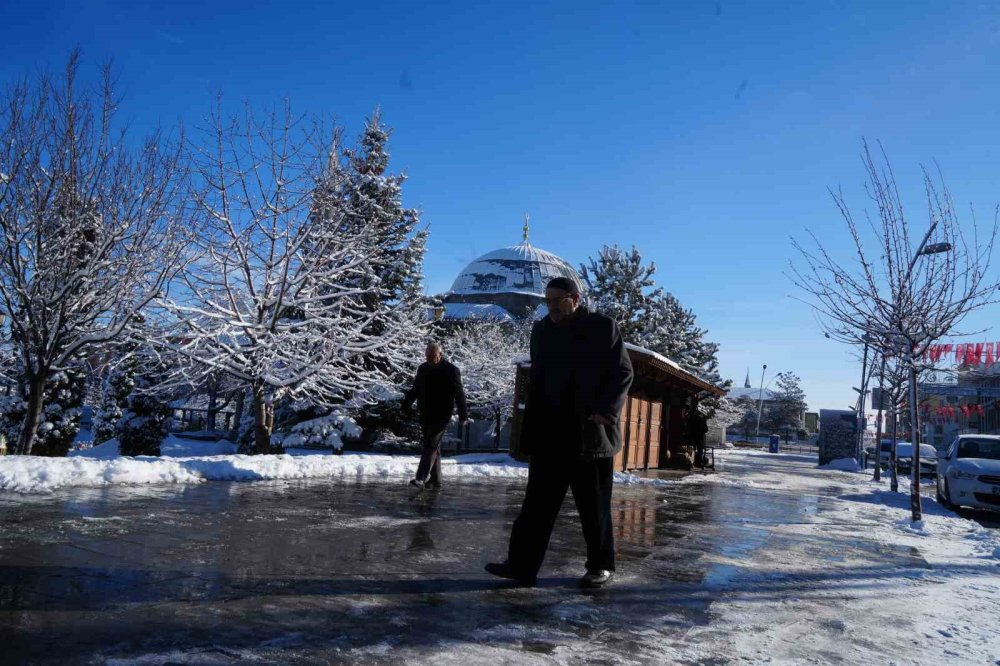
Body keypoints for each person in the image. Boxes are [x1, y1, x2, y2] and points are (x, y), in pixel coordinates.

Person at [485, 277, 633, 588]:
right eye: (547, 301)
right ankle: (522, 566)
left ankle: (600, 565)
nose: (550, 307)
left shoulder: (601, 327)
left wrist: (605, 411)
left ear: (574, 298)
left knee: (594, 508)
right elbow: (537, 381)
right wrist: (529, 427)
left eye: (556, 300)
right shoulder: (541, 332)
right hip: (550, 434)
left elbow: (622, 373)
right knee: (535, 508)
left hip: (589, 435)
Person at [401, 341, 468, 490]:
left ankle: (421, 478)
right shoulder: (423, 369)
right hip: (425, 413)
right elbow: (416, 389)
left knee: (430, 445)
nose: (429, 358)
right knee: (432, 446)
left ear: (440, 354)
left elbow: (459, 394)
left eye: (432, 355)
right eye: (427, 355)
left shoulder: (451, 370)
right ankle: (436, 480)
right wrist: (405, 406)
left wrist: (463, 415)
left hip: (442, 415)